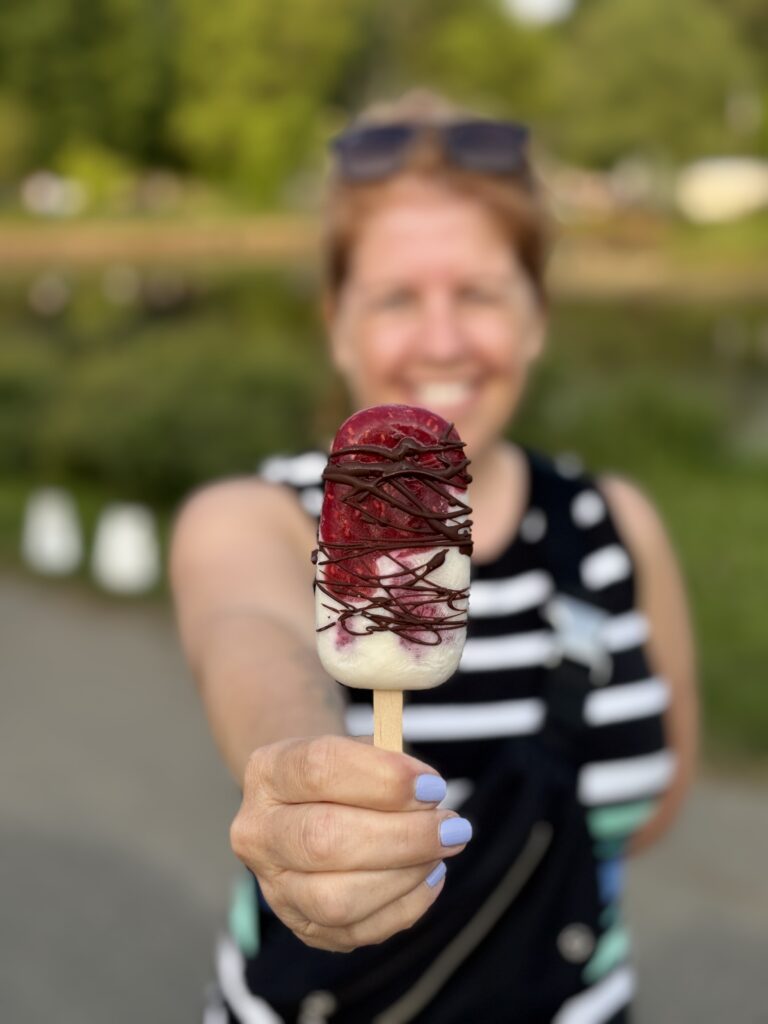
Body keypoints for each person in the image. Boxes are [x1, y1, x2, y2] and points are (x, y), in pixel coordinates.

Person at [171, 91, 698, 1024]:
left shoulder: (620, 525)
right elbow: (249, 638)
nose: (443, 339)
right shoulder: (252, 518)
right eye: (397, 298)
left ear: (537, 315)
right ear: (336, 321)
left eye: (481, 293)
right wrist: (294, 774)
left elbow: (653, 809)